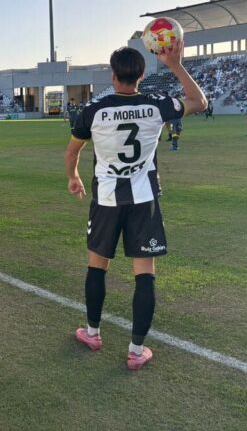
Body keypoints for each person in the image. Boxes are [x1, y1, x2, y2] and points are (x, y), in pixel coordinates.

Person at [64, 44, 206, 371]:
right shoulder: (156, 105)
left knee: (97, 266)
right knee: (145, 274)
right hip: (144, 200)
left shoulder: (93, 109)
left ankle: (92, 333)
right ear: (142, 75)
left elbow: (72, 152)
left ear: (113, 76)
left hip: (107, 200)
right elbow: (200, 102)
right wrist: (175, 64)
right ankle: (136, 350)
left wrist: (73, 177)